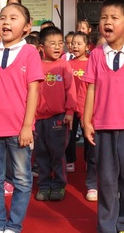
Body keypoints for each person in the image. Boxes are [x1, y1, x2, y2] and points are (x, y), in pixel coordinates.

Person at [0, 3, 44, 233]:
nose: (6, 22)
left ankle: (14, 224)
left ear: (27, 26)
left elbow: (33, 91)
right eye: (2, 17)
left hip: (18, 128)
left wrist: (26, 126)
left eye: (13, 18)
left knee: (22, 180)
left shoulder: (30, 52)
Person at [83, 0, 124, 233]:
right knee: (107, 180)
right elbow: (91, 88)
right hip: (102, 127)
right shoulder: (96, 55)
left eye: (113, 18)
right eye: (103, 18)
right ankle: (106, 226)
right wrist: (86, 120)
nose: (107, 22)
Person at [34, 26, 76, 202]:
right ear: (41, 47)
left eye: (60, 43)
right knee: (41, 153)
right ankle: (44, 184)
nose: (58, 47)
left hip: (58, 118)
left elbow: (71, 90)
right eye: (53, 44)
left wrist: (70, 112)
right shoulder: (35, 65)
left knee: (57, 153)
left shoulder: (64, 65)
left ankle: (59, 184)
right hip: (38, 118)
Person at [68, 31, 97, 201]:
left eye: (79, 44)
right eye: (73, 43)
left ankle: (88, 158)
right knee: (70, 134)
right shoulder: (67, 65)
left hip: (89, 105)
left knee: (89, 135)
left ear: (87, 47)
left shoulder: (91, 64)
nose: (75, 46)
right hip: (72, 105)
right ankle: (70, 159)